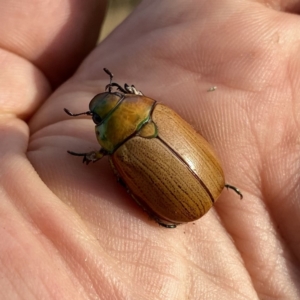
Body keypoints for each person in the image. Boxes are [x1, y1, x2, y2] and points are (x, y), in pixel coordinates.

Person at [1, 1, 299, 299]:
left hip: (193, 192)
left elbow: (106, 153)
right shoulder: (154, 110)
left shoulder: (115, 146)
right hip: (195, 189)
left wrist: (94, 156)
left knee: (122, 178)